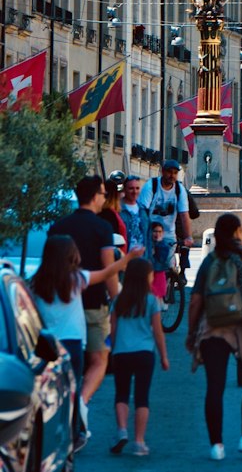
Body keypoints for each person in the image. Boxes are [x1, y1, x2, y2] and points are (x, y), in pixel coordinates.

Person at [31, 232, 138, 449]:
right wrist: (126, 259)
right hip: (73, 343)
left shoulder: (36, 283)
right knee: (72, 388)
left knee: (49, 391)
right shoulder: (76, 279)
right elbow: (106, 273)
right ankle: (74, 433)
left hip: (47, 344)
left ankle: (49, 432)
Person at [186, 212, 242, 461]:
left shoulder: (211, 261)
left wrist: (192, 332)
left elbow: (196, 300)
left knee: (215, 386)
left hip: (214, 326)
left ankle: (217, 445)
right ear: (237, 232)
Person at [49, 174, 120, 425]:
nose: (105, 198)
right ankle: (81, 401)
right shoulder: (103, 228)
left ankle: (66, 404)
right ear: (94, 196)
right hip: (92, 303)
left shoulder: (58, 227)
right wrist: (118, 299)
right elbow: (107, 268)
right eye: (103, 194)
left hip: (60, 304)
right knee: (99, 360)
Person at [109, 257, 169, 456]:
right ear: (146, 277)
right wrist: (163, 356)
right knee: (142, 397)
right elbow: (158, 331)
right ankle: (139, 441)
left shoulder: (119, 299)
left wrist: (113, 349)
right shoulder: (151, 300)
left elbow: (113, 327)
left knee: (121, 393)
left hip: (121, 352)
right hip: (144, 352)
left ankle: (122, 431)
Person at [138, 158, 192, 269]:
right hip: (150, 232)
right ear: (163, 171)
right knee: (148, 264)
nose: (172, 175)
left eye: (175, 173)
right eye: (169, 172)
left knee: (167, 266)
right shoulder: (151, 186)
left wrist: (188, 237)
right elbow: (143, 212)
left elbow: (184, 215)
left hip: (168, 234)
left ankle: (170, 280)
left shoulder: (179, 190)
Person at [119, 176, 147, 254]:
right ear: (124, 189)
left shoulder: (143, 210)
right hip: (125, 257)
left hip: (142, 258)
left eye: (137, 188)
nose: (134, 191)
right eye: (131, 188)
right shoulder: (118, 209)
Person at [148, 222, 173, 301]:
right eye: (155, 231)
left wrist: (159, 244)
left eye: (160, 232)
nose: (157, 234)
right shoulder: (147, 244)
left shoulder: (163, 245)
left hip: (158, 273)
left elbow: (161, 258)